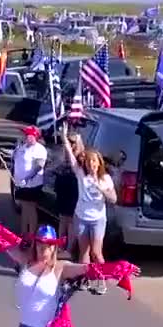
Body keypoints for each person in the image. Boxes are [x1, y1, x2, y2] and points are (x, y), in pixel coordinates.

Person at [62, 124, 117, 294]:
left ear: (99, 163)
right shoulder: (81, 174)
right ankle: (84, 280)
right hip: (81, 217)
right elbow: (71, 157)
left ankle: (101, 281)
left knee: (96, 253)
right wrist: (64, 138)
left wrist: (103, 190)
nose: (91, 164)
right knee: (83, 252)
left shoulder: (105, 178)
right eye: (88, 161)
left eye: (94, 161)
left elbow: (114, 199)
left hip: (98, 219)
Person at [11, 125, 47, 239]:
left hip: (32, 185)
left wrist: (27, 178)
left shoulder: (39, 149)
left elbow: (39, 166)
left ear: (34, 136)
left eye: (27, 134)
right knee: (24, 208)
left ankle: (31, 234)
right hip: (20, 184)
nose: (25, 136)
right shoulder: (22, 147)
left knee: (30, 208)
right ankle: (23, 233)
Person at [54, 132, 85, 254]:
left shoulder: (81, 156)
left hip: (73, 187)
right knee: (63, 218)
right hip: (63, 186)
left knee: (71, 220)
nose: (69, 144)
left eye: (72, 142)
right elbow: (57, 167)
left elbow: (77, 169)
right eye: (68, 141)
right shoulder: (64, 154)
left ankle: (69, 249)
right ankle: (60, 245)